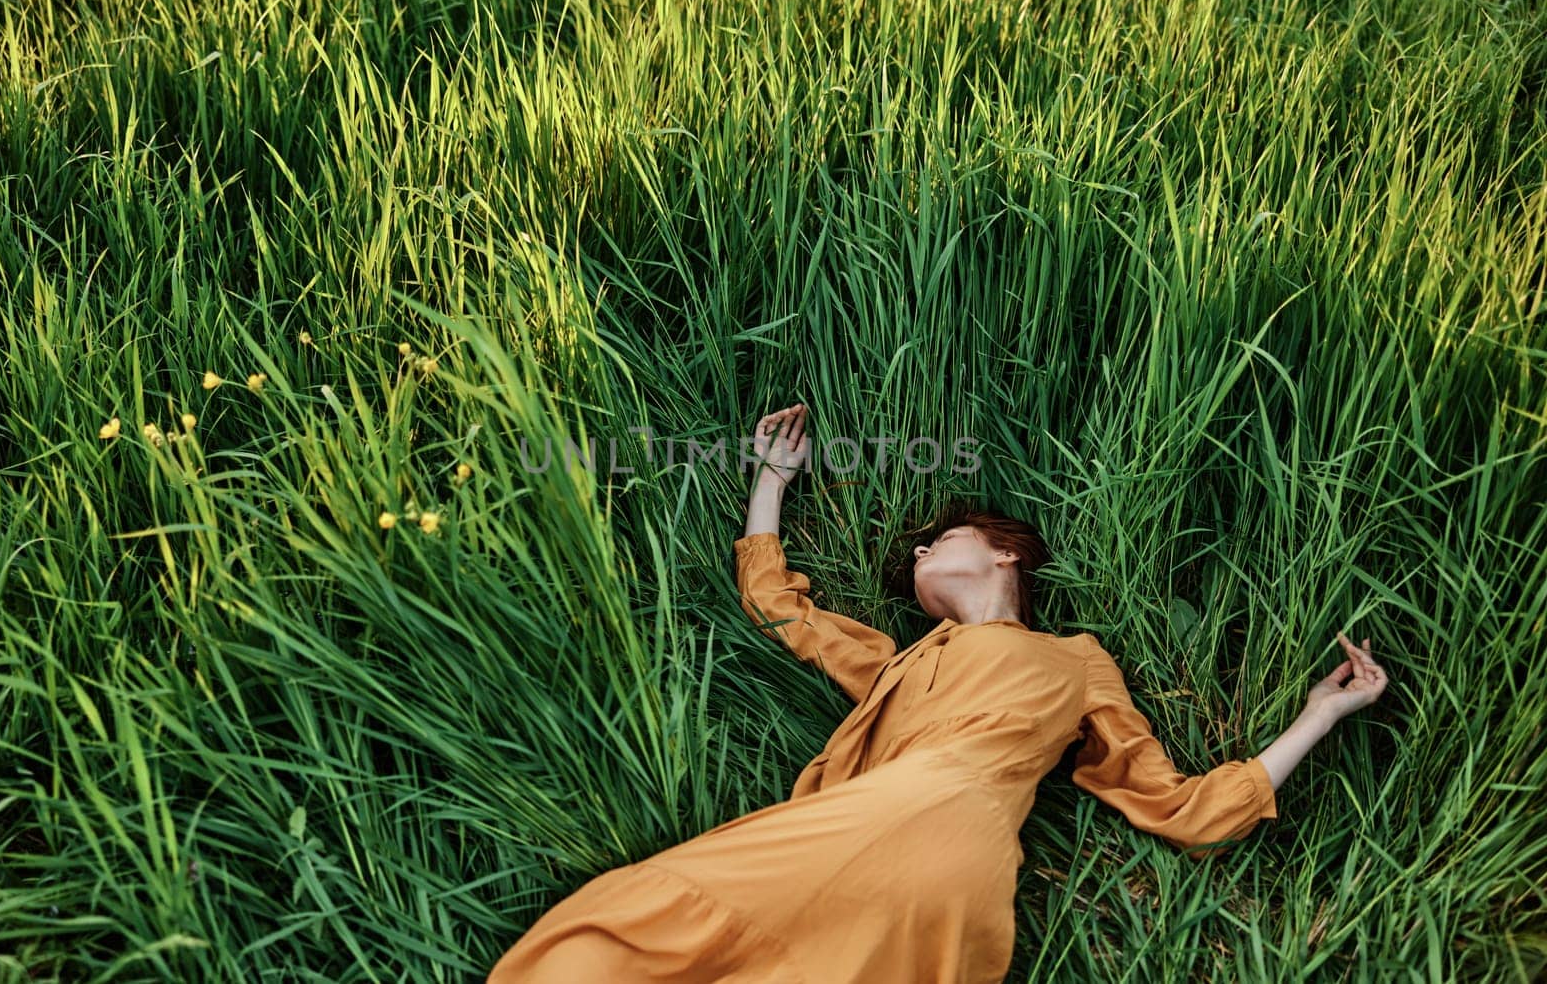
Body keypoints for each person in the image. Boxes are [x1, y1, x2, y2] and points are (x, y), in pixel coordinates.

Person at [488, 404, 1389, 983]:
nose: (919, 553)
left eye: (940, 537)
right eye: (916, 553)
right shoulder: (898, 662)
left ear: (1007, 550)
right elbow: (779, 607)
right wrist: (771, 477)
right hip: (919, 850)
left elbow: (1182, 806)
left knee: (607, 943)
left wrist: (1322, 709)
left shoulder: (1077, 658)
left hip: (930, 819)